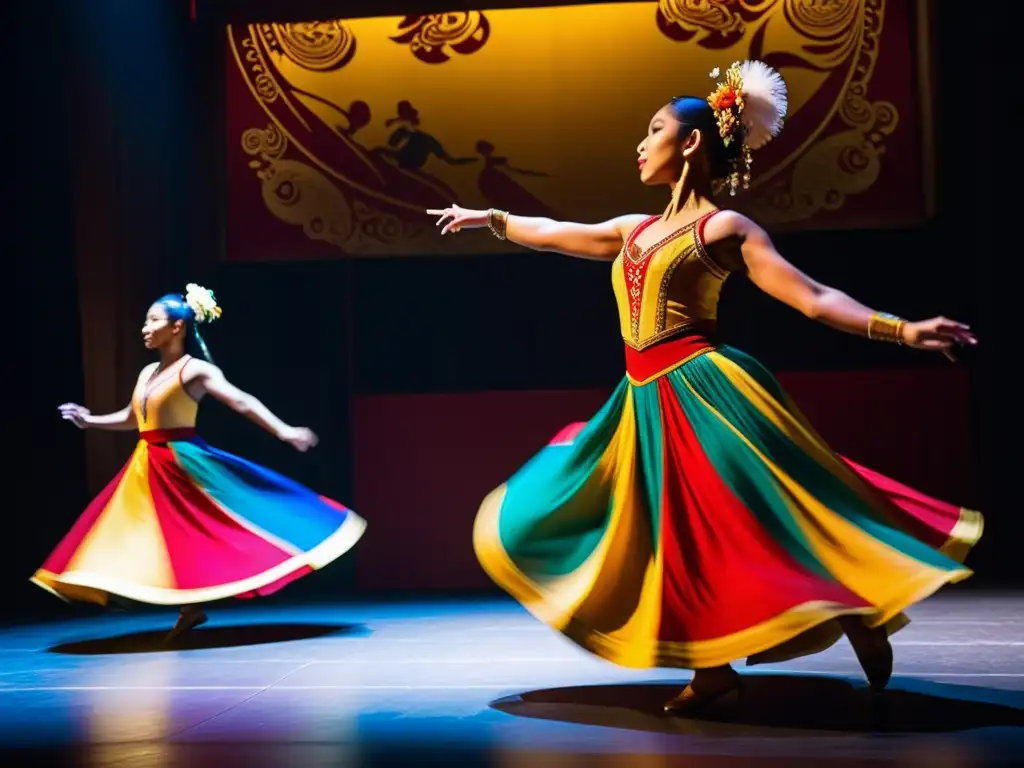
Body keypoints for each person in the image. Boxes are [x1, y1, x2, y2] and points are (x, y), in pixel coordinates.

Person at [427, 60, 982, 715]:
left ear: (690, 142)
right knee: (669, 538)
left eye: (654, 129)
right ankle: (715, 671)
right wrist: (488, 217)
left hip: (705, 390)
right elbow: (552, 234)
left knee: (752, 523)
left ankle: (857, 608)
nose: (639, 143)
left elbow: (811, 297)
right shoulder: (633, 229)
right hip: (641, 399)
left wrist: (903, 331)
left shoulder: (724, 229)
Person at [37, 284, 366, 640]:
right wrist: (90, 420)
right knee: (136, 534)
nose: (144, 328)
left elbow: (242, 402)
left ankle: (198, 602)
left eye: (153, 320)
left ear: (177, 327)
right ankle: (190, 608)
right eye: (145, 321)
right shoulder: (147, 373)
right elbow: (135, 417)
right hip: (147, 464)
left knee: (209, 529)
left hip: (183, 463)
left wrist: (284, 431)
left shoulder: (195, 371)